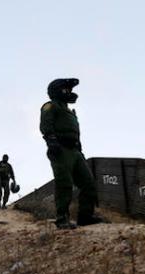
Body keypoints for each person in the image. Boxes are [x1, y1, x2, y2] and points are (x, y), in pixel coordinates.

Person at [40, 78, 102, 229]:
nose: (69, 92)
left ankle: (85, 216)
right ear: (56, 91)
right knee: (64, 183)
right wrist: (51, 140)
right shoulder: (51, 106)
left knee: (88, 182)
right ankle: (62, 219)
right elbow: (45, 124)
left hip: (75, 151)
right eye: (66, 89)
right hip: (61, 149)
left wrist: (79, 148)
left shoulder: (69, 111)